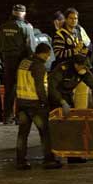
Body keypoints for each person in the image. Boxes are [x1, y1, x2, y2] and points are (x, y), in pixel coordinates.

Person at [16, 42, 61, 170]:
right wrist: (45, 102)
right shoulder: (39, 66)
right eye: (47, 55)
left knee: (22, 134)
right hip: (35, 104)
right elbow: (40, 87)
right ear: (44, 53)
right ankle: (48, 160)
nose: (48, 58)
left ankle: (20, 161)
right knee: (45, 133)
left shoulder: (24, 62)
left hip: (22, 102)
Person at [0, 4, 36, 125]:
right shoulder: (26, 27)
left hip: (7, 61)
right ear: (24, 14)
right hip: (22, 61)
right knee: (21, 89)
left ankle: (7, 117)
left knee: (9, 89)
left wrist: (3, 59)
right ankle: (20, 117)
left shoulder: (3, 27)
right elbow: (31, 47)